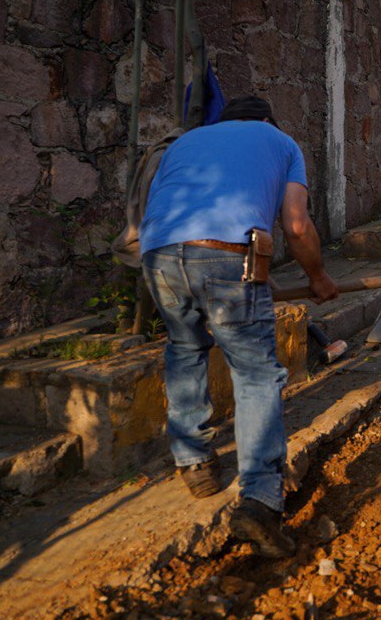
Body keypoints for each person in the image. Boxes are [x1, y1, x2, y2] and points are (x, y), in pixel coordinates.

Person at [139, 96, 339, 558]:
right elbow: (296, 222)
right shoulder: (282, 141)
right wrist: (318, 277)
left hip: (159, 254)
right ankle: (261, 499)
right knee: (254, 373)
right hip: (227, 255)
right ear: (267, 120)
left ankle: (194, 463)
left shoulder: (186, 142)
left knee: (185, 348)